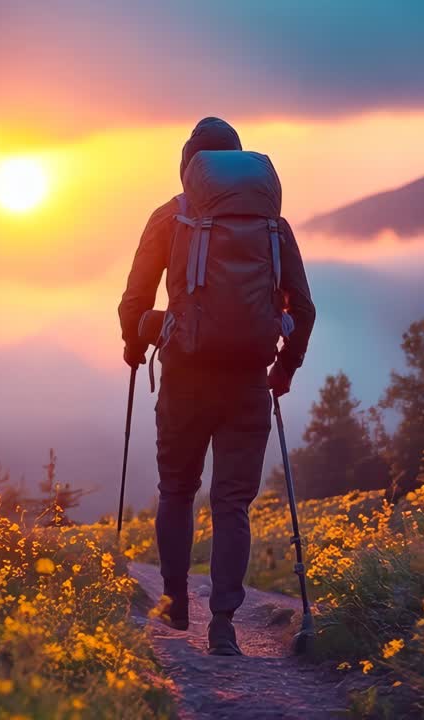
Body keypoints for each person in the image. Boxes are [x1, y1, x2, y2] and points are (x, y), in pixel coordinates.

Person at [117, 117, 315, 655]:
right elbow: (305, 307)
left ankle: (176, 600)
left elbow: (133, 300)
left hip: (184, 378)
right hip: (249, 381)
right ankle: (223, 623)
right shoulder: (273, 225)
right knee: (233, 503)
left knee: (176, 491)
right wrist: (283, 371)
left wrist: (136, 349)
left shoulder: (168, 217)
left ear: (190, 166)